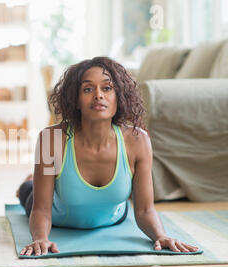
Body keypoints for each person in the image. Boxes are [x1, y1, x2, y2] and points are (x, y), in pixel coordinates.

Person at [17, 57, 199, 256]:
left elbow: (145, 210)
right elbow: (41, 210)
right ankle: (30, 181)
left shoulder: (138, 140)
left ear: (118, 97)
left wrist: (160, 235)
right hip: (59, 215)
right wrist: (40, 238)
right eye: (88, 89)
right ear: (75, 99)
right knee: (29, 190)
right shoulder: (50, 139)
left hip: (113, 217)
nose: (98, 96)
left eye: (107, 88)